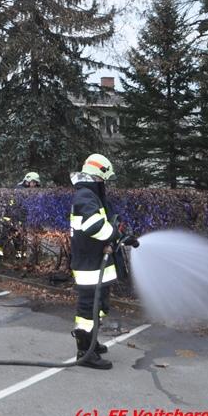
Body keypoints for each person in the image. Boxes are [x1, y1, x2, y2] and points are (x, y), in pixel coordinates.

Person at [69, 154, 138, 370]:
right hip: (89, 265)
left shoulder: (92, 195)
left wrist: (123, 235)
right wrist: (115, 234)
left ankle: (92, 342)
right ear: (97, 175)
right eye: (103, 179)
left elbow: (106, 222)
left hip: (96, 262)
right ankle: (85, 351)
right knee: (88, 309)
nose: (104, 183)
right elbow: (95, 227)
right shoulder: (85, 196)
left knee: (99, 307)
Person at [0, 172, 41, 263]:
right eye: (33, 182)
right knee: (3, 239)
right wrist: (19, 221)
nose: (34, 185)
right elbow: (17, 208)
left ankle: (19, 259)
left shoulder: (24, 190)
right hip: (11, 219)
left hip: (15, 219)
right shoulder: (20, 191)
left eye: (36, 183)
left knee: (18, 240)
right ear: (27, 181)